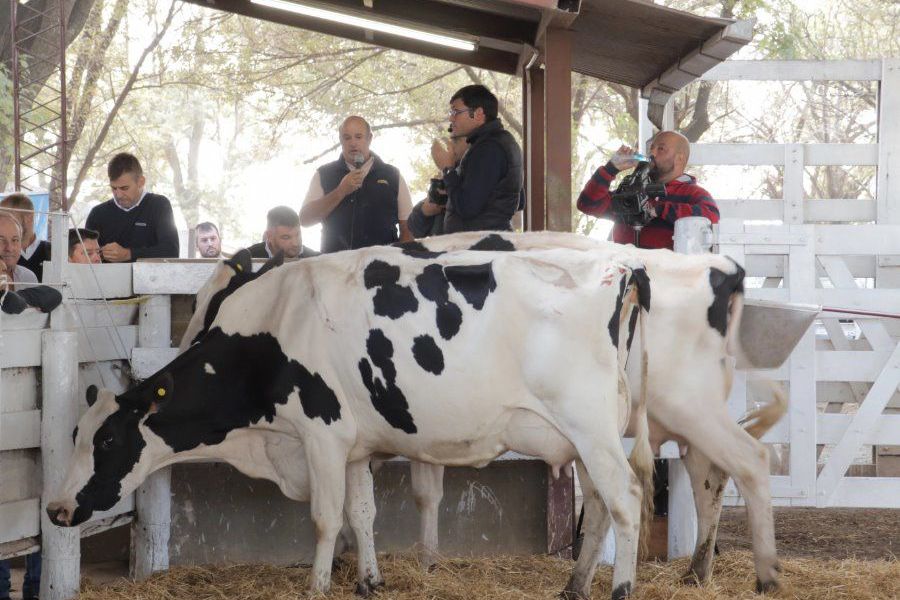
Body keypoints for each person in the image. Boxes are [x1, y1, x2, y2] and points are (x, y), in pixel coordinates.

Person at [576, 130, 719, 249]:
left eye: (660, 149)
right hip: (624, 276)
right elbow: (587, 205)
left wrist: (658, 209)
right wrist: (610, 169)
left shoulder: (693, 194)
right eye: (651, 148)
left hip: (667, 279)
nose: (652, 154)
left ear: (679, 159)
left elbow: (710, 217)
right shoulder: (633, 190)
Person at [300, 116, 413, 252]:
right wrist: (340, 191)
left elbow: (407, 226)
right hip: (336, 266)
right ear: (341, 140)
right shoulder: (324, 174)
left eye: (358, 137)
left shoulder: (392, 175)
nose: (353, 143)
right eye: (347, 138)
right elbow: (305, 220)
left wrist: (402, 261)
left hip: (382, 267)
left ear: (369, 138)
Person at [430, 84, 523, 234]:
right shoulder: (497, 142)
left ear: (479, 114)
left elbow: (467, 207)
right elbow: (518, 200)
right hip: (485, 244)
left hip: (481, 249)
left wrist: (448, 170)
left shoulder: (489, 148)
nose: (451, 118)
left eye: (456, 111)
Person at [85, 152, 179, 262]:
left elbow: (171, 251)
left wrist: (129, 254)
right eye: (114, 188)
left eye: (124, 188)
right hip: (106, 279)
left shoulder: (159, 205)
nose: (118, 195)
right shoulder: (98, 213)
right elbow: (86, 257)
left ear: (141, 182)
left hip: (150, 278)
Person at [407, 134, 469, 238]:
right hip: (441, 249)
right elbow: (414, 229)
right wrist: (424, 212)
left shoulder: (471, 180)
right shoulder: (445, 181)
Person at [0, 193, 51, 282]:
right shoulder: (4, 255)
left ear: (29, 218)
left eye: (9, 216)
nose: (3, 220)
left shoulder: (53, 252)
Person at [248, 206, 318, 259]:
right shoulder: (248, 259)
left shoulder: (316, 260)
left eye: (298, 235)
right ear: (269, 236)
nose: (295, 243)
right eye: (286, 237)